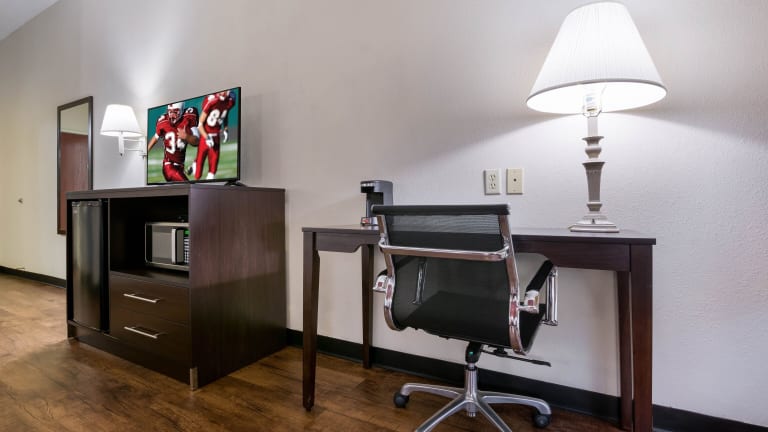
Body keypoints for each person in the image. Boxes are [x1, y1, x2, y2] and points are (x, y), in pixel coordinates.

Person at [187, 90, 236, 180]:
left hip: (216, 136)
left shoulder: (230, 101)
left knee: (212, 171)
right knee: (198, 173)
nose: (223, 93)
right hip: (206, 135)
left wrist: (225, 128)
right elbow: (200, 124)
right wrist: (207, 137)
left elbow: (225, 113)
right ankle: (195, 164)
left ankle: (195, 165)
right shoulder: (212, 101)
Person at [147, 102, 200, 182]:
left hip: (180, 167)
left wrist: (186, 137)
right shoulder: (162, 121)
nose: (172, 115)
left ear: (181, 111)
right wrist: (146, 152)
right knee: (189, 187)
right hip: (169, 167)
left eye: (175, 112)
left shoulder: (189, 117)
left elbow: (197, 141)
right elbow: (156, 137)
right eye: (170, 112)